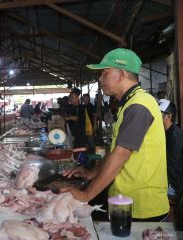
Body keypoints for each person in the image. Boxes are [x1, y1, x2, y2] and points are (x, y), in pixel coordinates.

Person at [63, 48, 169, 221]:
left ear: (121, 74)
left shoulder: (139, 105)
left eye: (105, 73)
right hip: (125, 201)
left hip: (142, 206)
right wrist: (92, 173)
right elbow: (115, 151)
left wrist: (86, 195)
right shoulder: (129, 104)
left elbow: (120, 155)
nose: (100, 78)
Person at [158, 99, 183, 199]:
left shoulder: (175, 136)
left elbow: (169, 166)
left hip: (174, 184)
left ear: (169, 116)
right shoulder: (162, 132)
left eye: (159, 113)